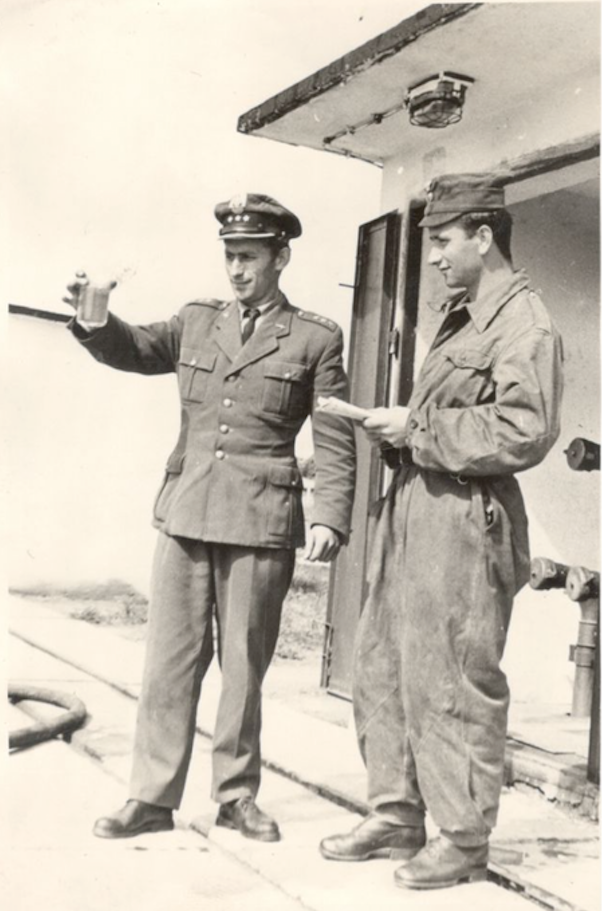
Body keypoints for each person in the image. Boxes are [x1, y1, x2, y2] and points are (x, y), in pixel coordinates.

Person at [64, 193, 356, 843]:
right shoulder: (198, 320)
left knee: (244, 669)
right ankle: (151, 795)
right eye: (230, 256)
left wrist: (331, 515)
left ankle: (235, 794)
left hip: (260, 520)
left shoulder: (315, 336)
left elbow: (335, 434)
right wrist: (94, 312)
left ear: (281, 257)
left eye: (249, 257)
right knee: (168, 662)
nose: (237, 270)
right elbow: (136, 348)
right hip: (187, 513)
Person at [319, 174, 563, 889]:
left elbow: (526, 431)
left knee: (453, 676)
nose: (433, 257)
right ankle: (396, 810)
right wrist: (391, 428)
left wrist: (416, 428)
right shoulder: (464, 317)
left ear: (484, 237)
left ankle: (461, 838)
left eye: (443, 241)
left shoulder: (525, 322)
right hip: (417, 503)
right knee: (384, 659)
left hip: (465, 518)